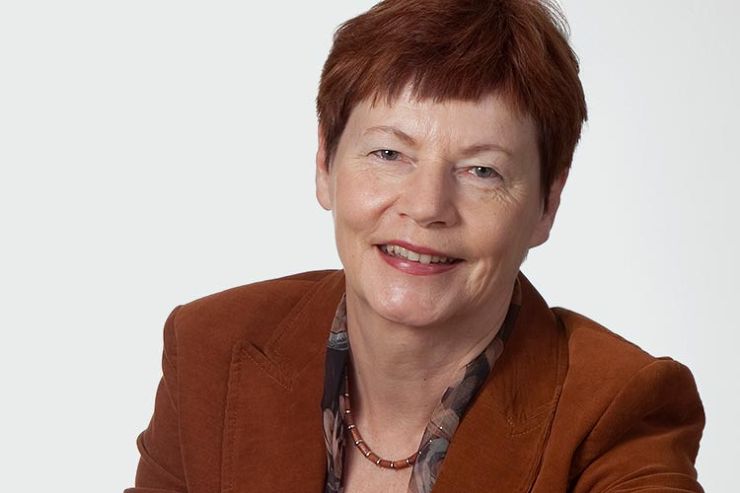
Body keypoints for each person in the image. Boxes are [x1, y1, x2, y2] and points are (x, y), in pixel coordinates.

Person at [125, 1, 704, 492]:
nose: (427, 206)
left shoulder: (617, 412)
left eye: (482, 170)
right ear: (325, 164)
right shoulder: (211, 349)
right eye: (389, 153)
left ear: (547, 204)